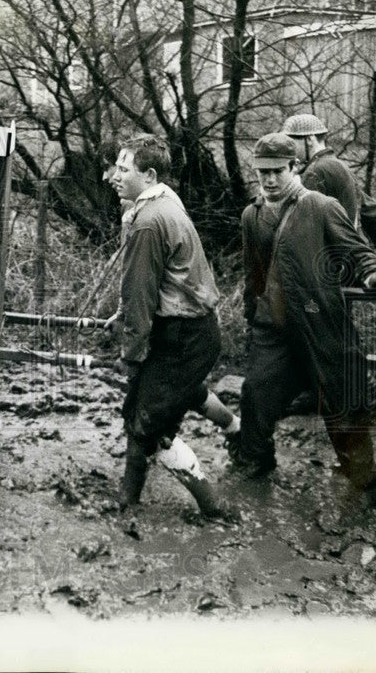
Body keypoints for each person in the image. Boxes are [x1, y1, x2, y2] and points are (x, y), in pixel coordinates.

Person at [231, 133, 376, 510]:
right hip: (273, 330)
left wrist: (375, 274)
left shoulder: (321, 207)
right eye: (263, 172)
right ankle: (255, 465)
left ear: (295, 167)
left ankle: (369, 487)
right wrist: (253, 321)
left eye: (278, 171)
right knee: (255, 395)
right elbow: (254, 275)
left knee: (343, 409)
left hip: (321, 326)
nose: (270, 180)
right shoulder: (253, 215)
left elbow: (357, 252)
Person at [108, 133, 235, 519]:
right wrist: (126, 313)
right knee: (163, 399)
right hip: (191, 331)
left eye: (123, 169)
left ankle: (214, 507)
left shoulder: (148, 221)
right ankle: (235, 429)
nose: (113, 176)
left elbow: (140, 297)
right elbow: (151, 285)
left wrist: (130, 355)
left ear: (148, 175)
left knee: (148, 424)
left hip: (183, 334)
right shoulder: (165, 200)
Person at [282, 112, 376, 271]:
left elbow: (303, 231)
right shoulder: (340, 166)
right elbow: (371, 211)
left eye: (292, 142)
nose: (288, 149)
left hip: (328, 266)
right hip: (356, 262)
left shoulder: (314, 173)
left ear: (310, 139)